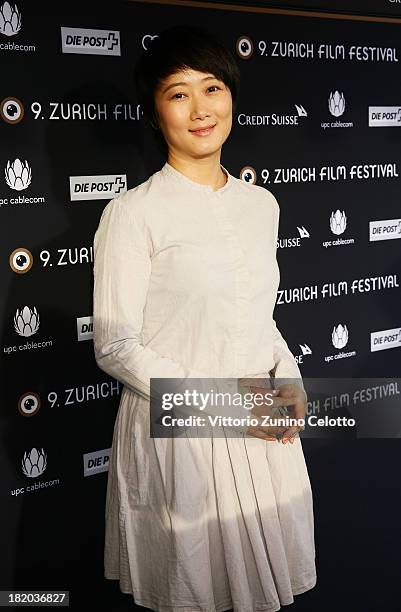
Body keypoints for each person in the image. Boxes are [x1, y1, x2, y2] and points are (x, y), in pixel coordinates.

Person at [92, 24, 316, 612]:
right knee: (191, 592)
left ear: (232, 99)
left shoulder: (260, 204)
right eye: (178, 93)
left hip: (263, 430)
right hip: (185, 435)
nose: (200, 109)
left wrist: (287, 372)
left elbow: (255, 314)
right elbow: (115, 345)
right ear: (155, 112)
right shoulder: (132, 213)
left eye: (212, 88)